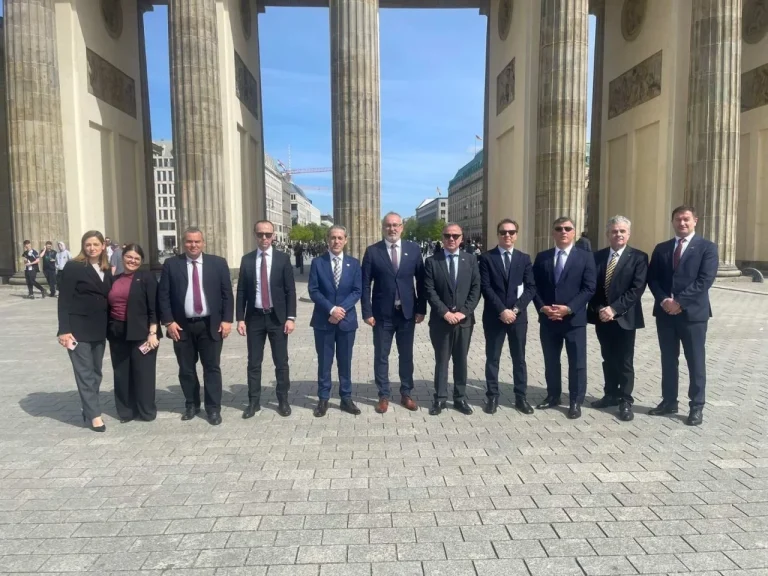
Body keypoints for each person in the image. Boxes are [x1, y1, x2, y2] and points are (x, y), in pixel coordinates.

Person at [647, 205, 717, 426]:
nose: (682, 223)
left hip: (693, 315)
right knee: (668, 360)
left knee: (695, 361)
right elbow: (653, 279)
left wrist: (679, 302)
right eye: (678, 219)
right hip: (665, 313)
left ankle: (696, 406)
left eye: (686, 219)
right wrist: (664, 300)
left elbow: (704, 280)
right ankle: (669, 401)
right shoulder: (662, 248)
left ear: (695, 220)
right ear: (673, 222)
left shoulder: (707, 248)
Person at [158, 227, 234, 425]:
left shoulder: (218, 263)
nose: (193, 245)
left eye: (197, 241)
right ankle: (191, 404)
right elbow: (163, 296)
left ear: (203, 243)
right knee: (186, 369)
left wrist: (227, 320)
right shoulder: (171, 265)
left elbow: (227, 294)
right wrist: (168, 322)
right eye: (189, 241)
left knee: (212, 368)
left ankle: (213, 408)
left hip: (210, 325)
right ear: (183, 243)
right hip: (181, 326)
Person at [361, 212, 427, 413]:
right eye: (388, 225)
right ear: (383, 228)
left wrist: (421, 309)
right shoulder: (373, 251)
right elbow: (365, 284)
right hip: (382, 315)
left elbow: (422, 282)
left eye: (396, 225)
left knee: (406, 355)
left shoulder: (413, 249)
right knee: (381, 355)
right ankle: (383, 395)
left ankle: (406, 393)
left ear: (402, 227)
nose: (392, 229)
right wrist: (367, 312)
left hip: (407, 314)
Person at [532, 217, 597, 419]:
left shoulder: (585, 257)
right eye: (559, 228)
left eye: (567, 228)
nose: (563, 232)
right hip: (549, 319)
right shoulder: (542, 257)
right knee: (551, 360)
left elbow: (589, 288)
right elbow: (534, 286)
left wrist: (568, 308)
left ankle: (575, 401)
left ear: (574, 232)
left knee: (577, 362)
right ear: (553, 232)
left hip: (574, 320)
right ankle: (553, 396)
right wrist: (542, 307)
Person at [587, 216, 648, 422]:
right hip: (602, 317)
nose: (618, 234)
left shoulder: (639, 257)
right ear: (608, 234)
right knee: (608, 358)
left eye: (622, 231)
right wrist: (600, 309)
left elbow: (636, 289)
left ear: (628, 234)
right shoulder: (597, 257)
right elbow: (591, 287)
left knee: (625, 361)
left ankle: (625, 400)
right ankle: (610, 394)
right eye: (614, 231)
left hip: (625, 317)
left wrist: (614, 309)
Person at [236, 220, 297, 418]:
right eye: (260, 234)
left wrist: (290, 317)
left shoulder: (282, 259)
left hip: (277, 318)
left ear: (273, 236)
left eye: (268, 234)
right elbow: (242, 290)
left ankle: (283, 400)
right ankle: (253, 402)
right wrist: (240, 318)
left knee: (281, 362)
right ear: (255, 235)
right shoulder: (247, 260)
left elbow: (290, 290)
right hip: (254, 318)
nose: (264, 238)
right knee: (254, 362)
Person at [57, 230, 113, 432]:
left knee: (96, 372)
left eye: (96, 244)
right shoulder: (74, 266)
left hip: (100, 328)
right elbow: (64, 300)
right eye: (88, 244)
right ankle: (95, 415)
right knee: (84, 372)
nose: (92, 248)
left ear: (103, 246)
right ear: (83, 246)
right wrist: (64, 330)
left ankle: (88, 408)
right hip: (78, 329)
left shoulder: (106, 268)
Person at [479, 219, 536, 415]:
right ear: (498, 234)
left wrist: (516, 310)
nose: (507, 235)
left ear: (516, 235)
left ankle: (521, 397)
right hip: (494, 316)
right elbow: (485, 287)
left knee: (519, 359)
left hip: (518, 318)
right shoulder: (487, 258)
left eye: (511, 232)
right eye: (503, 232)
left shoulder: (524, 258)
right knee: (492, 358)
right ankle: (492, 397)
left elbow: (531, 288)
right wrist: (502, 310)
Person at [424, 223, 481, 415]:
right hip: (441, 321)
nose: (451, 239)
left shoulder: (471, 260)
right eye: (448, 235)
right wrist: (445, 313)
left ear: (461, 238)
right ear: (442, 237)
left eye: (455, 236)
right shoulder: (432, 261)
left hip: (464, 321)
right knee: (441, 361)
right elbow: (429, 290)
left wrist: (463, 312)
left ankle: (460, 398)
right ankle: (440, 399)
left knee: (461, 360)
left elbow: (476, 288)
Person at [308, 225, 362, 417]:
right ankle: (323, 399)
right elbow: (313, 290)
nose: (336, 241)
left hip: (347, 321)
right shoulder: (317, 263)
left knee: (345, 361)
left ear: (345, 240)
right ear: (327, 240)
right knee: (324, 361)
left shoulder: (354, 264)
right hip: (324, 320)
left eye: (340, 238)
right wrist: (331, 309)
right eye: (333, 237)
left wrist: (340, 310)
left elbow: (357, 290)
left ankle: (346, 398)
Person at [107, 243, 161, 423]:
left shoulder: (146, 277)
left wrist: (153, 332)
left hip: (143, 333)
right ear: (122, 257)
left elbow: (154, 306)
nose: (132, 261)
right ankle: (126, 412)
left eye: (137, 258)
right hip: (117, 332)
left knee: (143, 373)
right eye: (129, 257)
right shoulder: (114, 279)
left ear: (141, 261)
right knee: (122, 373)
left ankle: (146, 411)